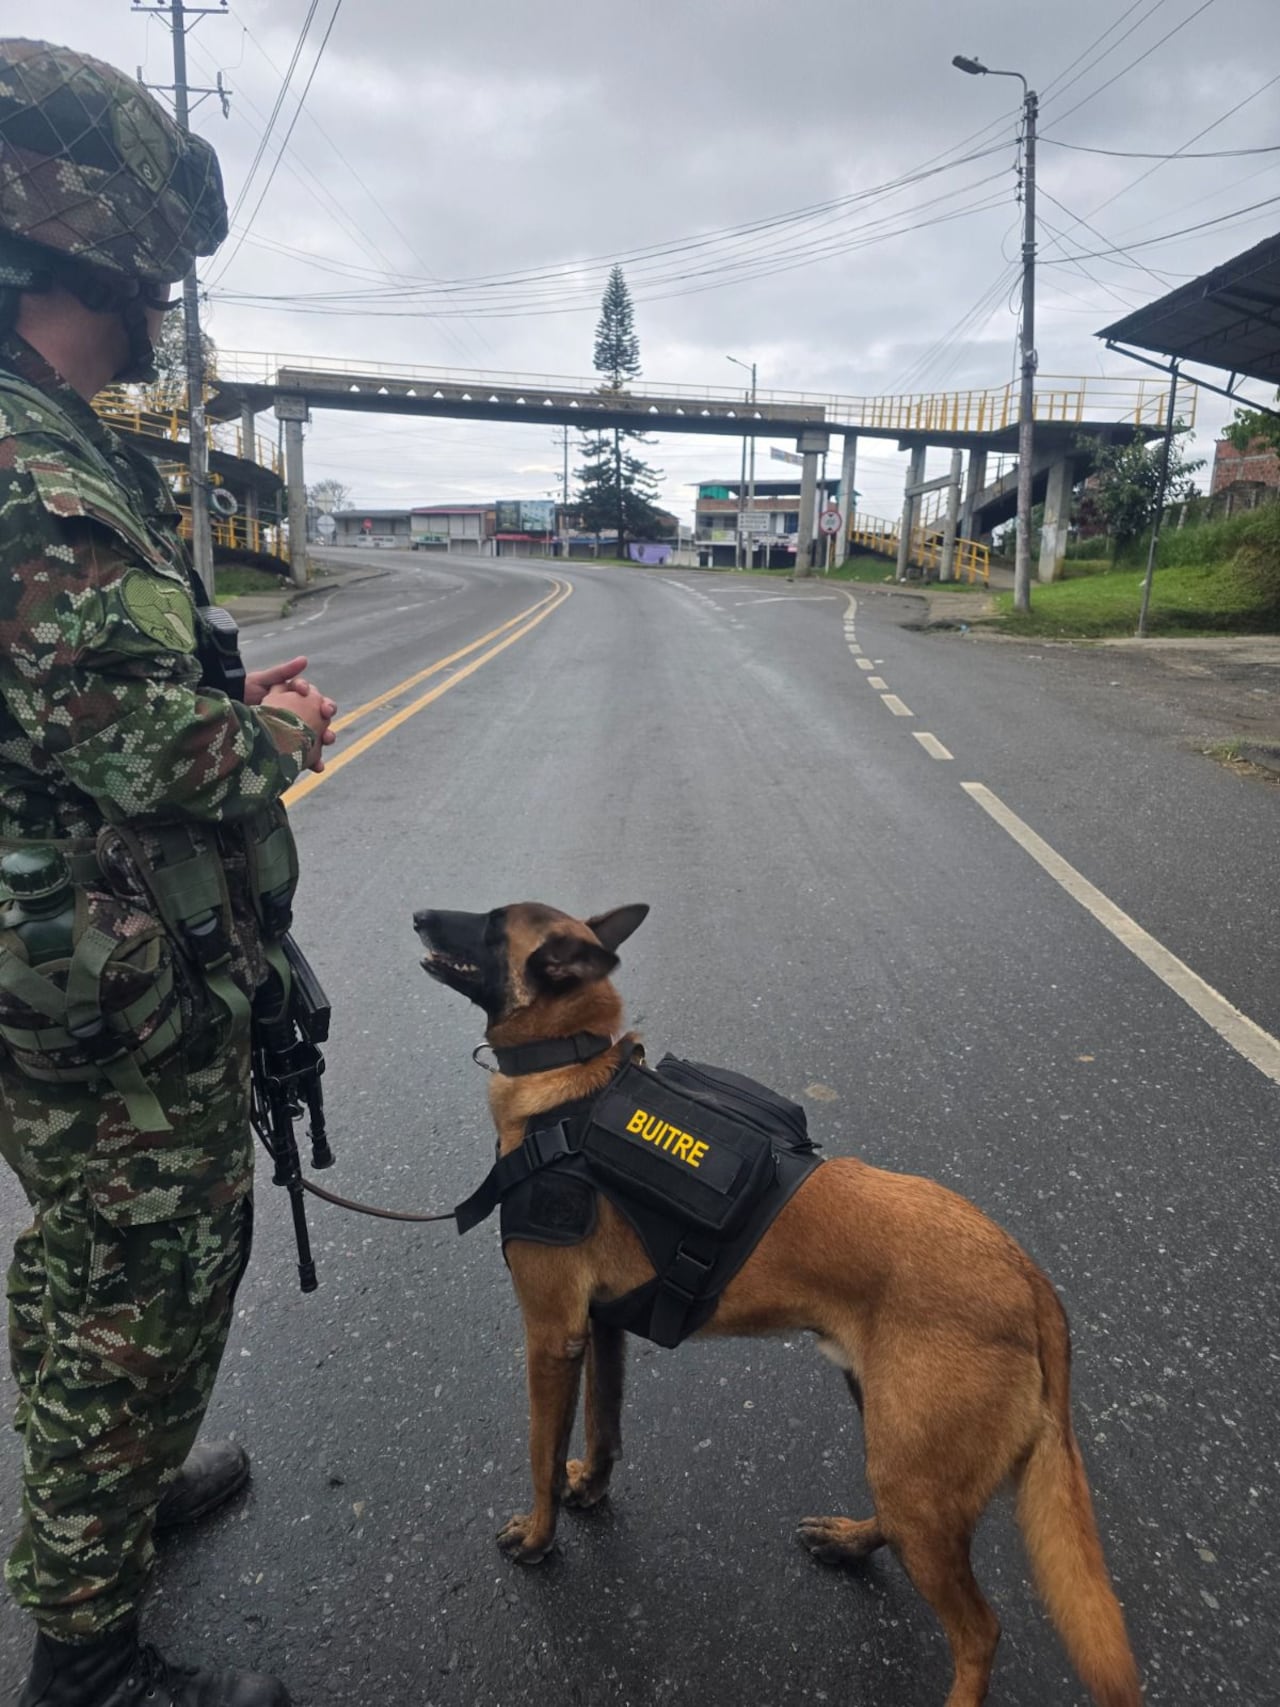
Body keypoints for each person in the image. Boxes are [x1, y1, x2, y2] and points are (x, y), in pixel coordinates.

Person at [0, 38, 336, 1706]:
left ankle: (108, 1516)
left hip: (74, 955)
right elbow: (149, 758)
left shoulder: (48, 438)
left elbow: (91, 704)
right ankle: (91, 1659)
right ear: (87, 254)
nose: (163, 313)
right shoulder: (34, 473)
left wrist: (219, 694)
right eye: (152, 278)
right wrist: (278, 734)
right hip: (105, 988)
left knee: (93, 1266)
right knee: (128, 1280)